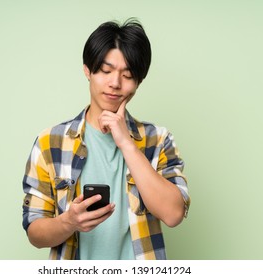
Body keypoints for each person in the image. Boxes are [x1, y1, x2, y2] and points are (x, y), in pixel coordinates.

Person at [22, 18, 190, 260]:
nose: (115, 83)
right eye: (105, 70)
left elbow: (174, 214)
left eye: (128, 74)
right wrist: (69, 221)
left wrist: (126, 143)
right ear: (87, 71)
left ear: (138, 82)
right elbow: (35, 232)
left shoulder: (158, 140)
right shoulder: (50, 143)